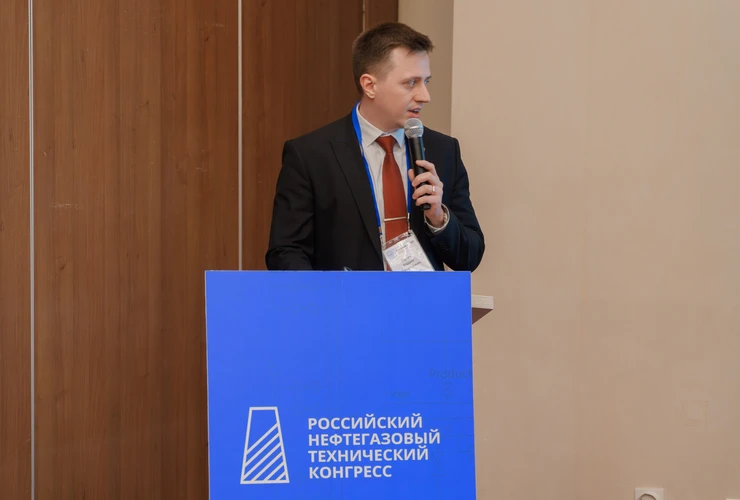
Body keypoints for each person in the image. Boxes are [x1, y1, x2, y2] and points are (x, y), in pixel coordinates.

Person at [266, 22, 484, 271]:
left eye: (426, 81)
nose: (425, 96)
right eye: (411, 83)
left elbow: (470, 256)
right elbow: (286, 252)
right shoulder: (311, 155)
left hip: (420, 296)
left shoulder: (443, 151)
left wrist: (439, 217)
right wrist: (325, 294)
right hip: (344, 297)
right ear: (369, 85)